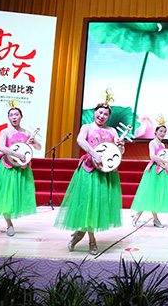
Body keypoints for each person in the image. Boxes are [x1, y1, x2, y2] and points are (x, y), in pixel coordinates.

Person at [55, 90, 124, 255]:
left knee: (98, 205)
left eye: (105, 114)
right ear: (94, 112)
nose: (102, 116)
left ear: (108, 116)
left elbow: (118, 153)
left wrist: (121, 146)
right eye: (100, 112)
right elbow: (80, 140)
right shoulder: (87, 127)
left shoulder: (112, 131)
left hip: (104, 173)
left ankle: (80, 233)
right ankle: (92, 241)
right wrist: (94, 154)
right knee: (88, 203)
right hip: (89, 171)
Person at [0, 100, 41, 237]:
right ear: (8, 118)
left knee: (10, 197)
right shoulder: (5, 132)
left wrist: (34, 142)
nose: (14, 117)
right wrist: (16, 154)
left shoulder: (27, 132)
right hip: (5, 168)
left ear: (21, 117)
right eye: (11, 115)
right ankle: (6, 224)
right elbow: (1, 147)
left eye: (16, 114)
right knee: (1, 195)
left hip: (19, 169)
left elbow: (38, 148)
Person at [131, 115, 168, 228]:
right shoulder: (152, 143)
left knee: (155, 196)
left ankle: (155, 219)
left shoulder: (162, 144)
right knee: (149, 194)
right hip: (153, 171)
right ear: (156, 132)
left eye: (164, 131)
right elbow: (152, 156)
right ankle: (138, 216)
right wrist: (163, 160)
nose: (162, 133)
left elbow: (163, 155)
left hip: (160, 171)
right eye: (160, 131)